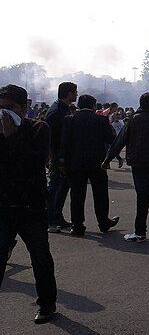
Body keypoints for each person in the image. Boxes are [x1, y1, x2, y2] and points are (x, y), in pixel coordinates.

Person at [0, 84, 58, 323]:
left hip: (31, 208)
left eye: (9, 107)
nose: (3, 112)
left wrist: (12, 137)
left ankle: (47, 305)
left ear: (24, 108)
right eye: (0, 107)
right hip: (3, 208)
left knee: (40, 258)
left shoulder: (38, 128)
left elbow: (34, 164)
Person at [103, 92, 149, 243]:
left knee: (142, 197)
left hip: (139, 163)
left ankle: (140, 232)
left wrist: (108, 159)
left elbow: (120, 140)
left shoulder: (134, 120)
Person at [59, 94, 120, 237]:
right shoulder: (100, 120)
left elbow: (64, 143)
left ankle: (77, 225)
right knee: (100, 193)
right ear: (93, 106)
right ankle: (103, 222)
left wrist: (62, 162)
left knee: (77, 195)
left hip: (76, 163)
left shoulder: (70, 120)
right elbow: (111, 139)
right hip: (96, 163)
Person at [45, 81, 77, 233]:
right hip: (58, 156)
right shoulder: (57, 111)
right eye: (74, 92)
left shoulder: (63, 109)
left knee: (62, 187)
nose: (76, 95)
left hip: (64, 155)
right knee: (55, 188)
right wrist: (52, 158)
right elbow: (50, 137)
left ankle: (57, 216)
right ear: (69, 93)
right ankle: (50, 219)